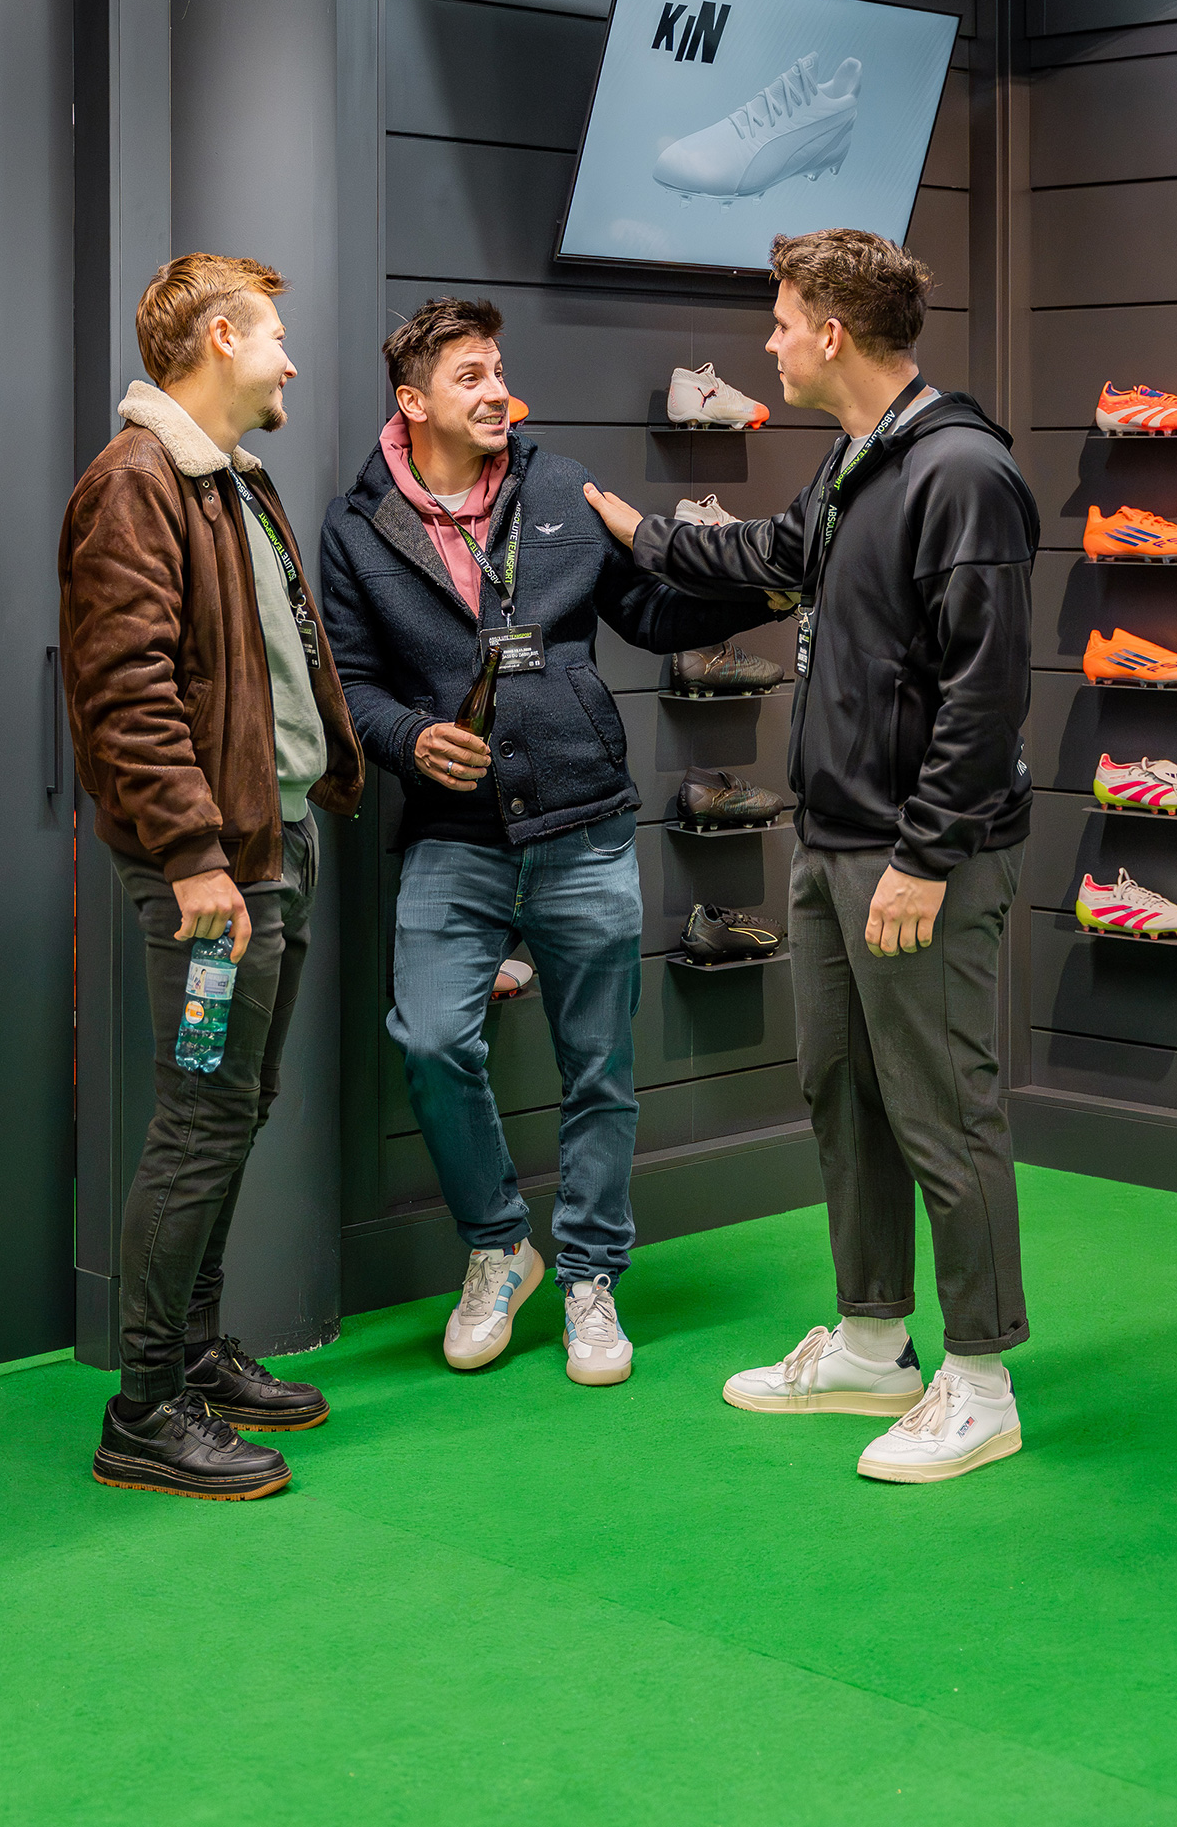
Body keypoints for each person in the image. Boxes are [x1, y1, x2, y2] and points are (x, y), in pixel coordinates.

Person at [584, 229, 1040, 1484]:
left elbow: (986, 694)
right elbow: (772, 557)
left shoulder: (962, 471)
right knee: (844, 1092)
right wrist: (642, 534)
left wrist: (926, 856)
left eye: (782, 321)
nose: (770, 342)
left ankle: (982, 1382)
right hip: (832, 839)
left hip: (917, 857)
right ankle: (874, 1342)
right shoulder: (855, 460)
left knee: (946, 1108)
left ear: (832, 332)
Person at [319, 297, 768, 1385]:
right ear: (412, 400)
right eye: (469, 376)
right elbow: (352, 683)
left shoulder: (560, 487)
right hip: (453, 835)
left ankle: (591, 1278)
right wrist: (408, 739)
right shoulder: (355, 525)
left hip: (585, 825)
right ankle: (496, 1249)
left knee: (599, 1070)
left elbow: (650, 616)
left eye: (498, 370)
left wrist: (764, 585)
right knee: (432, 1040)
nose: (495, 392)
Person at [59, 253, 363, 1499]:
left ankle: (189, 1352)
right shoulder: (135, 483)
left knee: (230, 1107)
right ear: (222, 339)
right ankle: (145, 1407)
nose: (292, 360)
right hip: (215, 875)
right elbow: (125, 694)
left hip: (269, 848)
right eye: (274, 336)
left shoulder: (230, 479)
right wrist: (193, 860)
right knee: (200, 1116)